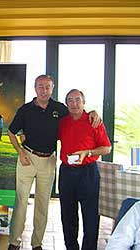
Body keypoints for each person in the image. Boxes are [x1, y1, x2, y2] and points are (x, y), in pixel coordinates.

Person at [7, 75, 101, 250]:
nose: (44, 90)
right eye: (41, 87)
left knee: (42, 203)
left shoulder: (60, 108)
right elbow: (11, 132)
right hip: (27, 158)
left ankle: (37, 243)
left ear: (52, 88)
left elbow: (77, 113)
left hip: (49, 161)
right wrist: (20, 151)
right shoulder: (25, 109)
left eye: (48, 87)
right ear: (35, 88)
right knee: (21, 202)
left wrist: (93, 112)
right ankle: (14, 242)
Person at [58, 89, 111, 250]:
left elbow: (107, 148)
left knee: (90, 216)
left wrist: (88, 152)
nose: (74, 104)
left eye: (77, 100)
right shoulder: (63, 122)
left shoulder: (93, 121)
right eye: (70, 100)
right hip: (66, 172)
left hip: (88, 172)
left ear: (84, 102)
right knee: (68, 216)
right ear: (66, 104)